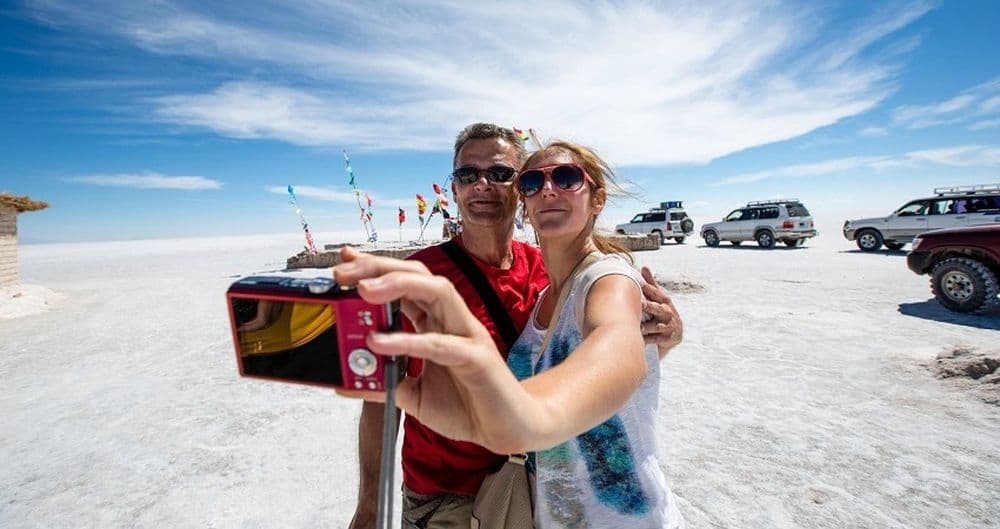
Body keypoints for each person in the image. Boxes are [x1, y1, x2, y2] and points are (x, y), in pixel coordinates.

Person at [346, 124, 684, 529]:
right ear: (454, 190)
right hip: (443, 496)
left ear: (516, 192)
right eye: (468, 175)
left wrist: (655, 342)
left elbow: (608, 349)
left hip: (530, 488)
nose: (483, 185)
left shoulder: (556, 274)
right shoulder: (419, 278)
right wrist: (370, 501)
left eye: (501, 173)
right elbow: (380, 397)